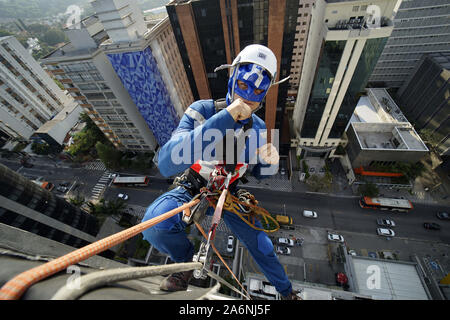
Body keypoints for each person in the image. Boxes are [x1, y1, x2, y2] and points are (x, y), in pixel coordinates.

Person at [141, 44, 300, 300]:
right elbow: (167, 163)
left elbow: (259, 173)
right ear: (232, 78)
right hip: (194, 184)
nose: (249, 97)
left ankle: (287, 292)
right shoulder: (202, 111)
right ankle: (183, 265)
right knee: (155, 224)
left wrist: (270, 164)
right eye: (244, 85)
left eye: (258, 91)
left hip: (230, 192)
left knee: (262, 246)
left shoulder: (259, 128)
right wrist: (226, 117)